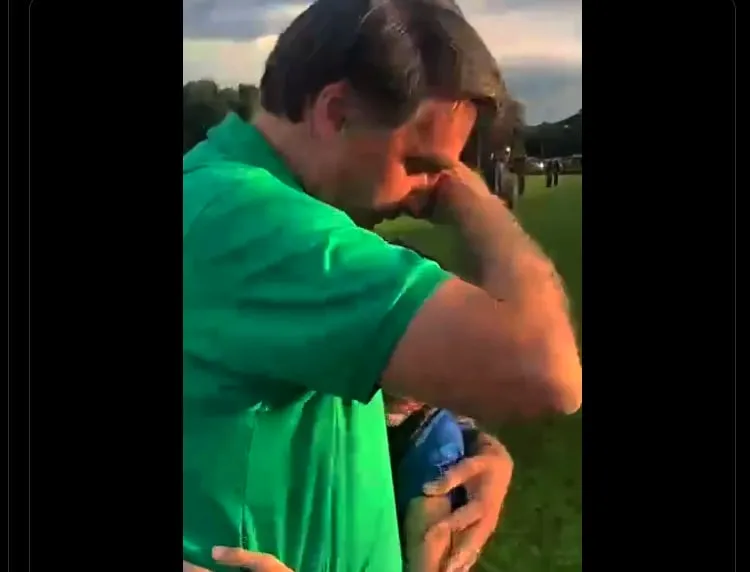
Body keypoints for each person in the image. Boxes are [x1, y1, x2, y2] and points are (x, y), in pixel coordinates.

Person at [183, 1, 582, 571]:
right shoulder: (250, 219)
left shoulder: (222, 197)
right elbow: (549, 374)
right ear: (336, 112)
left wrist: (461, 442)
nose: (427, 192)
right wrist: (477, 202)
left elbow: (286, 395)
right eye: (420, 163)